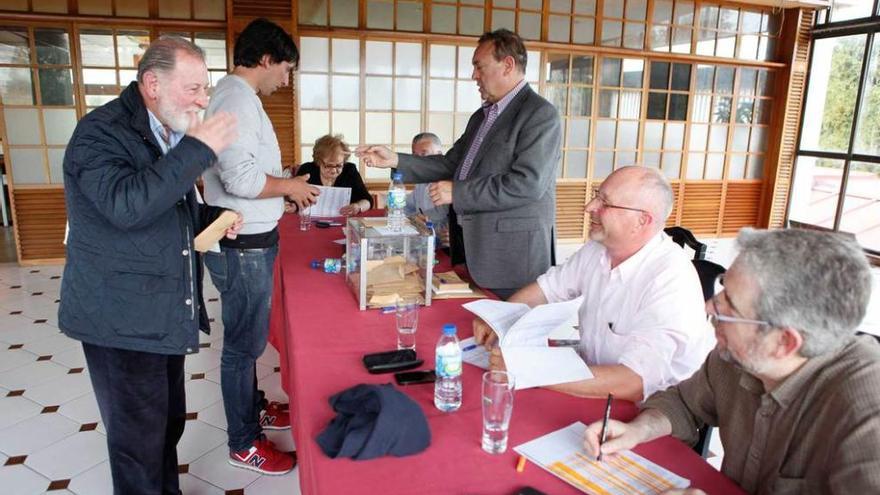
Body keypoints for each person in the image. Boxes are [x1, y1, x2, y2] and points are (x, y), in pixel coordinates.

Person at [59, 36, 239, 494]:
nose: (203, 99)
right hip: (119, 316)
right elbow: (127, 207)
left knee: (165, 427)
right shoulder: (99, 133)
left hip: (161, 311)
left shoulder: (165, 133)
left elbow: (168, 207)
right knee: (136, 441)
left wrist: (212, 217)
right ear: (152, 83)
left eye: (206, 88)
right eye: (194, 88)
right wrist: (197, 149)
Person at [583, 228, 880, 494]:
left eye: (730, 307)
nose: (710, 306)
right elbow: (684, 403)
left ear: (783, 342)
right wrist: (639, 430)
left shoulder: (867, 417)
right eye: (723, 288)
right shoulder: (739, 354)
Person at [474, 166, 714, 402]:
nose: (589, 207)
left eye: (605, 203)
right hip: (596, 388)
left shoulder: (670, 279)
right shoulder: (598, 250)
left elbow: (634, 382)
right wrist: (499, 318)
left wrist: (529, 369)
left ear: (642, 220)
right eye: (596, 196)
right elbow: (546, 290)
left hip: (651, 415)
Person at [357, 29, 561, 299]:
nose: (474, 75)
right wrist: (395, 159)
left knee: (509, 332)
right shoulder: (482, 116)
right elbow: (452, 164)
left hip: (513, 256)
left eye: (479, 67)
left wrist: (458, 192)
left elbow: (528, 184)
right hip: (473, 248)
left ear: (508, 65)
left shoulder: (539, 114)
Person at [202, 18, 318, 475]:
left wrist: (283, 185)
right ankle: (244, 441)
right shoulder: (234, 99)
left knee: (246, 340)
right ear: (266, 59)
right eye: (285, 69)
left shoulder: (240, 98)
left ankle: (254, 407)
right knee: (243, 347)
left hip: (251, 238)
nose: (285, 79)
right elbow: (243, 179)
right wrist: (288, 186)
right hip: (241, 245)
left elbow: (248, 170)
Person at [296, 134, 373, 215]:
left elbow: (367, 200)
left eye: (339, 165)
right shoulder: (306, 170)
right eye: (329, 165)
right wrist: (293, 205)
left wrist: (358, 207)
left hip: (343, 221)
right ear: (319, 161)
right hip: (310, 221)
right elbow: (294, 197)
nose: (333, 170)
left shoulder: (350, 170)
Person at [406, 132, 449, 234]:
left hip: (447, 241)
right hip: (425, 237)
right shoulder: (421, 181)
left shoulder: (448, 183)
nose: (419, 160)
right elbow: (407, 206)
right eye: (415, 156)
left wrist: (415, 218)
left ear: (439, 155)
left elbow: (436, 217)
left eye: (424, 154)